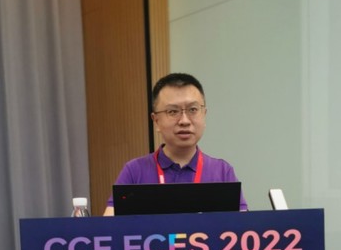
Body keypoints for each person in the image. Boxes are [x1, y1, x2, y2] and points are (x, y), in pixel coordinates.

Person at [103, 73, 247, 215]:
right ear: (156, 121)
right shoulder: (135, 171)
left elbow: (243, 226)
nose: (184, 121)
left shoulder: (222, 172)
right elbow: (109, 225)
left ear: (204, 114)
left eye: (193, 110)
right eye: (173, 111)